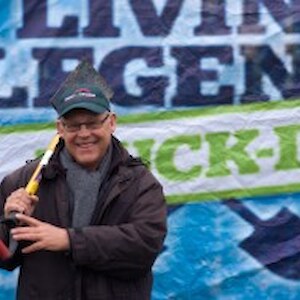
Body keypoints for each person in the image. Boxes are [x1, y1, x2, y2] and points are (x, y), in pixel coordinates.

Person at [0, 60, 167, 300]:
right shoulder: (24, 180)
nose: (84, 134)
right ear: (60, 128)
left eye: (92, 123)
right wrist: (10, 221)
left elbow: (144, 248)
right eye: (74, 125)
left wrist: (69, 240)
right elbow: (5, 257)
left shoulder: (140, 183)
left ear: (111, 122)